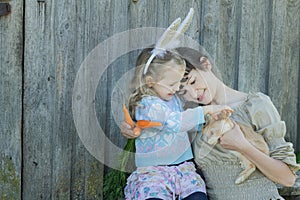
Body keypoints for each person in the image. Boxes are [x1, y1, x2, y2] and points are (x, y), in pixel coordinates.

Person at [121, 47, 300, 200]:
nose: (193, 93)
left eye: (192, 81)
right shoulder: (194, 120)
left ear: (205, 64)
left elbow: (287, 179)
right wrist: (135, 127)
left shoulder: (255, 105)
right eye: (182, 91)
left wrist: (243, 146)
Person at [124, 47, 230, 200]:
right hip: (154, 174)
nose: (177, 88)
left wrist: (206, 122)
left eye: (179, 82)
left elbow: (184, 125)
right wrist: (206, 110)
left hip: (183, 169)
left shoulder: (172, 99)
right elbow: (174, 123)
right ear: (150, 82)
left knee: (197, 197)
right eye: (172, 83)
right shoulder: (147, 105)